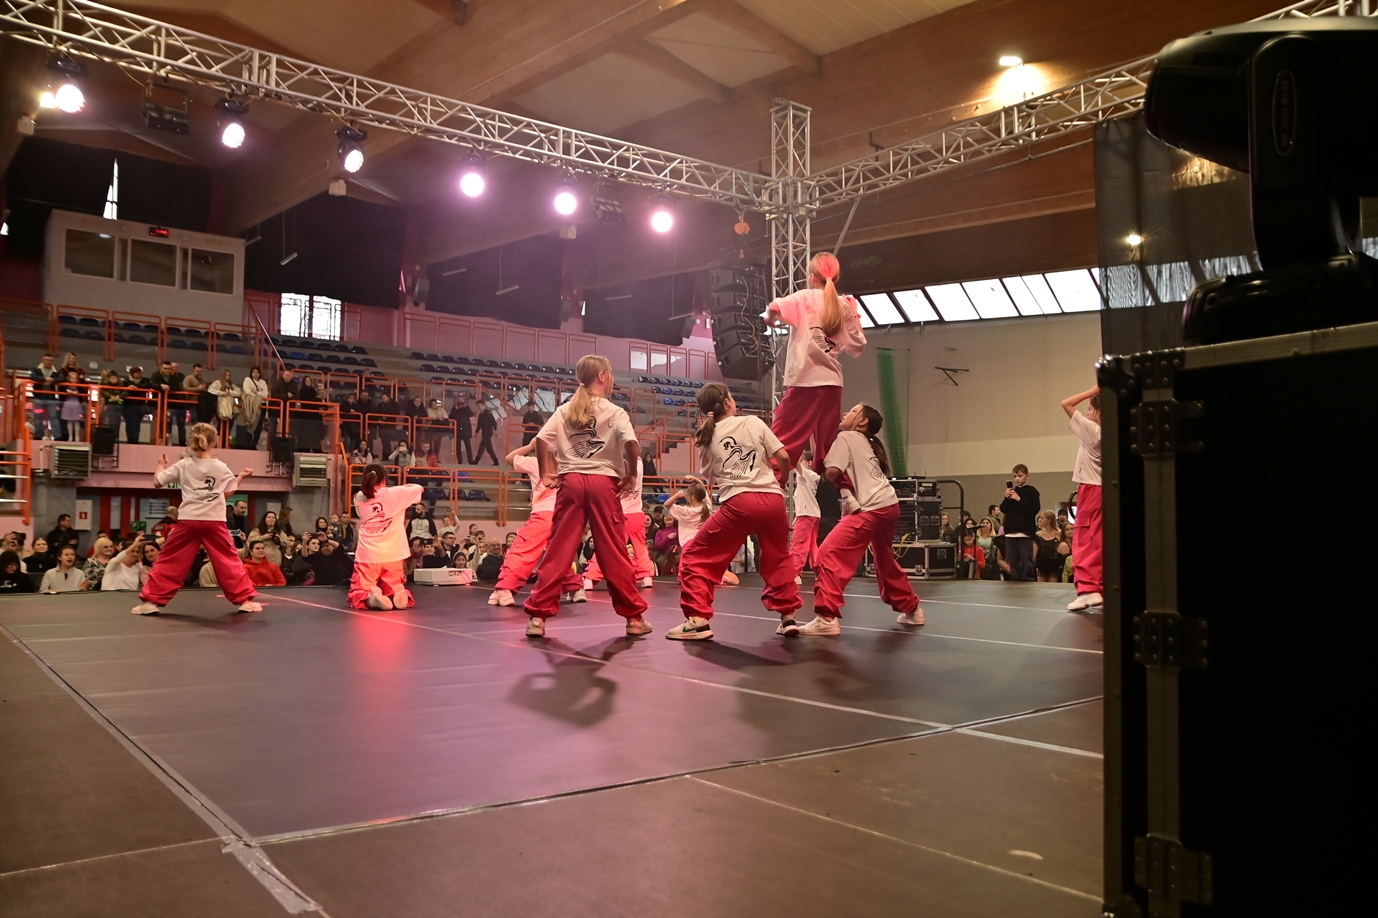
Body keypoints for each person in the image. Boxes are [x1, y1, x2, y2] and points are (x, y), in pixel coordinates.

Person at [522, 355, 649, 638]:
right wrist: (631, 474)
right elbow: (631, 443)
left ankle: (538, 618)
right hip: (604, 483)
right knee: (614, 551)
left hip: (571, 483)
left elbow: (540, 440)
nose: (611, 378)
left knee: (559, 549)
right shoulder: (614, 411)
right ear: (602, 376)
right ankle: (633, 618)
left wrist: (544, 473)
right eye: (610, 373)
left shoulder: (564, 410)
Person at [665, 383, 801, 640]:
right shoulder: (753, 422)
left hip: (740, 503)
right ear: (728, 402)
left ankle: (698, 621)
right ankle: (789, 617)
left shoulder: (706, 436)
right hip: (773, 501)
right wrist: (781, 481)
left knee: (695, 557)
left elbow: (710, 479)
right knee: (779, 557)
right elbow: (784, 457)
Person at [800, 404, 922, 634]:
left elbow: (832, 471)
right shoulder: (867, 442)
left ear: (863, 422)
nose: (846, 413)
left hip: (871, 508)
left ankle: (826, 617)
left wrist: (829, 468)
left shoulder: (846, 437)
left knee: (828, 554)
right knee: (885, 560)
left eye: (853, 411)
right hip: (889, 504)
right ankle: (912, 609)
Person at [130, 423, 261, 615]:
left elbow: (157, 482)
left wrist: (160, 465)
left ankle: (151, 602)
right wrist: (240, 477)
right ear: (214, 443)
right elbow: (227, 493)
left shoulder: (183, 465)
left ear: (191, 442)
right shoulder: (220, 467)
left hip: (188, 520)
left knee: (170, 560)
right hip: (215, 521)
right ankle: (245, 601)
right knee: (228, 561)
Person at [764, 252, 867, 474]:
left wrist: (770, 319)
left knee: (781, 441)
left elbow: (775, 306)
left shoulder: (806, 297)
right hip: (832, 384)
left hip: (806, 381)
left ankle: (769, 488)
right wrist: (855, 314)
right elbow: (858, 344)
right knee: (827, 451)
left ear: (812, 276)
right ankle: (845, 489)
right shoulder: (843, 305)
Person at [489, 442, 585, 607]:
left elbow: (509, 458)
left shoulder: (536, 463)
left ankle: (505, 589)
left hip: (544, 515)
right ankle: (576, 589)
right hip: (565, 516)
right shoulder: (570, 465)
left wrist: (530, 445)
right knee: (559, 555)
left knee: (522, 551)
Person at [350, 464, 424, 611]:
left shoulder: (359, 498)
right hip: (393, 553)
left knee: (360, 589)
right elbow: (419, 488)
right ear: (385, 479)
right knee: (394, 582)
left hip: (368, 555)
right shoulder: (397, 493)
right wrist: (404, 487)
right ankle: (397, 592)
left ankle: (372, 597)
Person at [582, 453, 655, 590]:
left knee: (606, 547)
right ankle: (647, 577)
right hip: (636, 515)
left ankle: (590, 577)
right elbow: (637, 456)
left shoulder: (613, 476)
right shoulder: (638, 469)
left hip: (618, 516)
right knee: (640, 548)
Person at [1062, 385, 1103, 611]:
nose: (1087, 413)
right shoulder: (1112, 432)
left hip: (1091, 488)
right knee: (1099, 540)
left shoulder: (1094, 430)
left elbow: (1066, 403)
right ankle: (1100, 588)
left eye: (1089, 409)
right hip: (1104, 489)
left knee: (1085, 539)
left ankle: (1088, 589)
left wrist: (1092, 391)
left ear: (1098, 411)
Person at [999, 464, 1040, 582]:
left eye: (1020, 476)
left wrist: (1019, 499)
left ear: (1027, 476)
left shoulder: (1031, 491)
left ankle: (1028, 578)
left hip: (1024, 532)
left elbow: (1034, 509)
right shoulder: (1013, 492)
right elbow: (1004, 509)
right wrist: (1007, 498)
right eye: (1015, 476)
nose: (1017, 479)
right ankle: (1015, 578)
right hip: (1010, 532)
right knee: (1011, 559)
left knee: (1026, 558)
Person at [788, 452, 821, 581]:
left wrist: (796, 447)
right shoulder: (810, 476)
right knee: (812, 546)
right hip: (811, 513)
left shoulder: (807, 474)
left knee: (799, 543)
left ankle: (795, 573)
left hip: (806, 514)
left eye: (802, 460)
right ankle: (820, 572)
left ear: (809, 463)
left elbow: (795, 463)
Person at [149, 360, 186, 446]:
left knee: (168, 422)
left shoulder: (175, 376)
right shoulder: (155, 375)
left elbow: (177, 387)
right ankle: (157, 439)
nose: (167, 370)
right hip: (158, 403)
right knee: (158, 421)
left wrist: (169, 387)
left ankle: (167, 440)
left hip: (171, 403)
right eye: (165, 368)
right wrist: (161, 386)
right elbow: (152, 385)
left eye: (169, 369)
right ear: (161, 368)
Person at [122, 366, 154, 444]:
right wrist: (128, 388)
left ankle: (135, 439)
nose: (139, 374)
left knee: (136, 423)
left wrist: (136, 387)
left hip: (139, 405)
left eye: (140, 373)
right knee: (129, 423)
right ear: (132, 374)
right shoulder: (125, 381)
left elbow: (148, 386)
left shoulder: (145, 381)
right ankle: (130, 439)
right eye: (136, 373)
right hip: (128, 405)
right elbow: (122, 390)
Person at [240, 367, 269, 449]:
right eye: (254, 372)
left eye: (257, 372)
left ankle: (254, 444)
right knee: (251, 423)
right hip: (252, 405)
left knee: (259, 425)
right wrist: (259, 394)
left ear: (260, 374)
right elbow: (247, 391)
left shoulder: (263, 382)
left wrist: (256, 392)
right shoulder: (248, 380)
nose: (255, 374)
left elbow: (265, 394)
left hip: (262, 405)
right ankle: (247, 444)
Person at [1033, 510, 1065, 583]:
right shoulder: (1038, 534)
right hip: (1041, 565)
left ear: (1049, 520)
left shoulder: (1059, 533)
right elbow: (1035, 551)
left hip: (1054, 565)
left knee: (1052, 587)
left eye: (1042, 518)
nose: (1040, 520)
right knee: (1041, 587)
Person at [59, 371, 86, 441]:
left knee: (76, 421)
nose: (73, 380)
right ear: (69, 378)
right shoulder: (65, 385)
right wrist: (66, 390)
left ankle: (77, 436)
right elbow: (60, 391)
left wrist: (78, 392)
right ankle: (70, 436)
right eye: (72, 378)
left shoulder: (79, 386)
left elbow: (84, 391)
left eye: (75, 378)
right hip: (68, 404)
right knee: (69, 421)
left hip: (76, 405)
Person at [449, 396, 475, 464]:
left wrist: (465, 406)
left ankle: (470, 460)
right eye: (459, 400)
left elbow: (471, 414)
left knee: (468, 446)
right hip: (457, 430)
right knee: (458, 446)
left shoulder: (466, 407)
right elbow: (450, 416)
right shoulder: (455, 408)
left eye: (461, 400)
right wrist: (456, 408)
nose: (460, 402)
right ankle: (459, 461)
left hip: (466, 430)